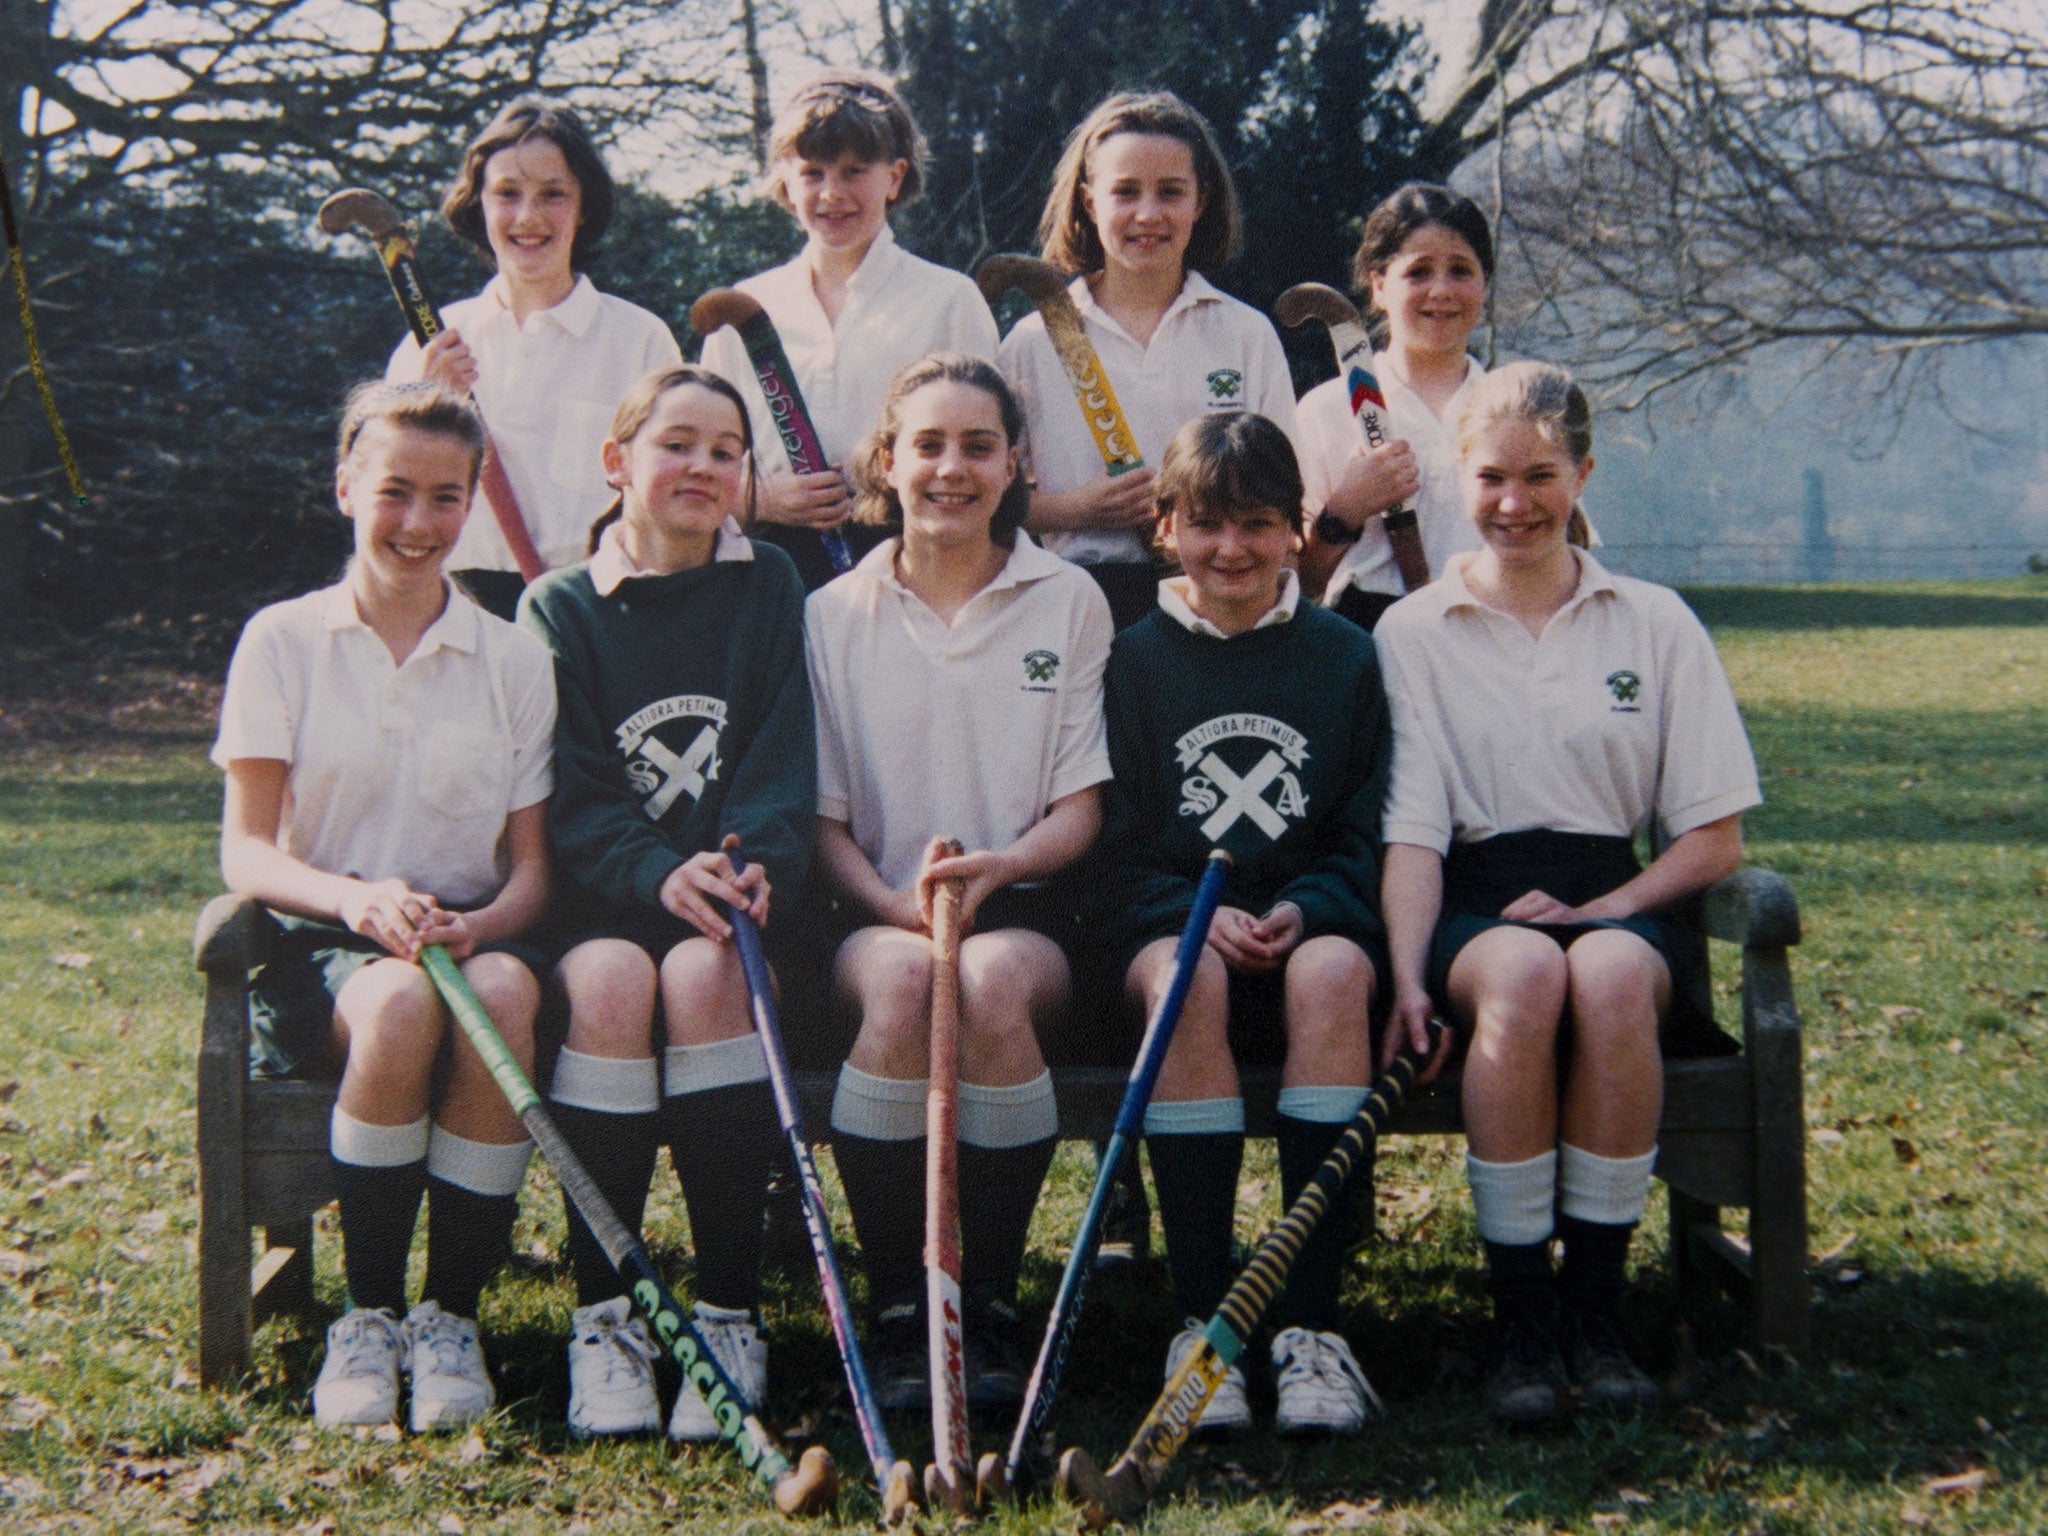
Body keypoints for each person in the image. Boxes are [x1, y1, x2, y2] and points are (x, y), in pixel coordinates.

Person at [1375, 361, 1761, 1427]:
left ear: (1582, 472)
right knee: (1519, 975)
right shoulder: (1412, 631)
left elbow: (1713, 836)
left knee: (1598, 976)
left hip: (1620, 891)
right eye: (1491, 477)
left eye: (1539, 476)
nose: (1513, 503)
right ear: (1457, 481)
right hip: (1475, 902)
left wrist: (1607, 909)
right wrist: (1406, 977)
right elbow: (1409, 832)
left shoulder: (1653, 621)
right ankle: (1520, 1324)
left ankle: (1592, 1313)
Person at [214, 382, 555, 1431]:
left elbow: (531, 875)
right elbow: (247, 850)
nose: (418, 523)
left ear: (470, 507)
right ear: (345, 486)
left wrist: (479, 924)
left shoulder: (513, 656)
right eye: (395, 491)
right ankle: (366, 1315)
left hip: (463, 937)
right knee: (402, 1006)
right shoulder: (283, 640)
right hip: (325, 945)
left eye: (446, 498)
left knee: (500, 989)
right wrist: (356, 901)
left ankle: (448, 1314)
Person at [805, 354, 1111, 1411]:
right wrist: (894, 906)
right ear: (885, 462)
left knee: (984, 986)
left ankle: (982, 1300)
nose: (950, 468)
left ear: (1016, 461)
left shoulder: (1066, 599)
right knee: (901, 985)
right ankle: (901, 1303)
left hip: (1022, 902)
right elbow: (825, 822)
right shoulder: (832, 613)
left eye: (976, 446)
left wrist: (1003, 868)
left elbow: (1079, 807)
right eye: (925, 446)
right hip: (875, 902)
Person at [516, 366, 815, 1441]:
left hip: (734, 898)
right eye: (675, 443)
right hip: (613, 898)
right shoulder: (557, 605)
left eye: (725, 450)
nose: (700, 466)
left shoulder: (768, 582)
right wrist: (655, 870)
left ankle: (729, 1310)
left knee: (707, 972)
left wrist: (747, 859)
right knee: (604, 980)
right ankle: (609, 1314)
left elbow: (782, 751)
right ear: (618, 463)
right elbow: (577, 789)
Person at [1094, 411, 1393, 1436]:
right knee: (1189, 979)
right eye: (1208, 524)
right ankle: (1202, 1316)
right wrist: (1191, 915)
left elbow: (1364, 830)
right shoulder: (1129, 660)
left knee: (1330, 976)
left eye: (1260, 524)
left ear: (1294, 527)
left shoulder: (1345, 657)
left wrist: (1309, 907)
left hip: (1307, 937)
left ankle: (1310, 1327)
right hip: (1178, 944)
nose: (1233, 549)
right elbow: (1115, 840)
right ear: (1166, 527)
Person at [1001, 89, 1297, 633]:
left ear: (1199, 202)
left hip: (1212, 602)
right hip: (1072, 599)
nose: (1148, 214)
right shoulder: (1033, 341)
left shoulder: (1244, 333)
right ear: (1091, 204)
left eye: (1170, 192)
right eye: (1125, 192)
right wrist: (1077, 510)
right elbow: (994, 504)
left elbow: (1283, 500)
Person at [700, 69, 1001, 593]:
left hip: (910, 559)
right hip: (768, 565)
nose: (832, 193)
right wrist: (761, 499)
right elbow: (701, 453)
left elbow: (988, 452)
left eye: (854, 170)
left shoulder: (948, 298)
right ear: (785, 182)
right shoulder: (744, 309)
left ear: (895, 175)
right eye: (813, 172)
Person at [387, 95, 683, 619]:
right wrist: (427, 407)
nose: (528, 216)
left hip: (596, 610)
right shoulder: (430, 346)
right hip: (453, 608)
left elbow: (668, 499)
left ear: (584, 205)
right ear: (478, 201)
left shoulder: (640, 338)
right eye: (507, 193)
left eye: (553, 194)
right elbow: (389, 494)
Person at [1295, 183, 1494, 632]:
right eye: (1419, 272)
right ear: (1379, 285)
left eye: (1460, 271)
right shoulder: (1326, 410)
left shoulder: (1512, 407)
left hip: (1491, 632)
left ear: (1484, 285)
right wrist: (1344, 512)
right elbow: (1291, 584)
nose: (1440, 290)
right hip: (1366, 636)